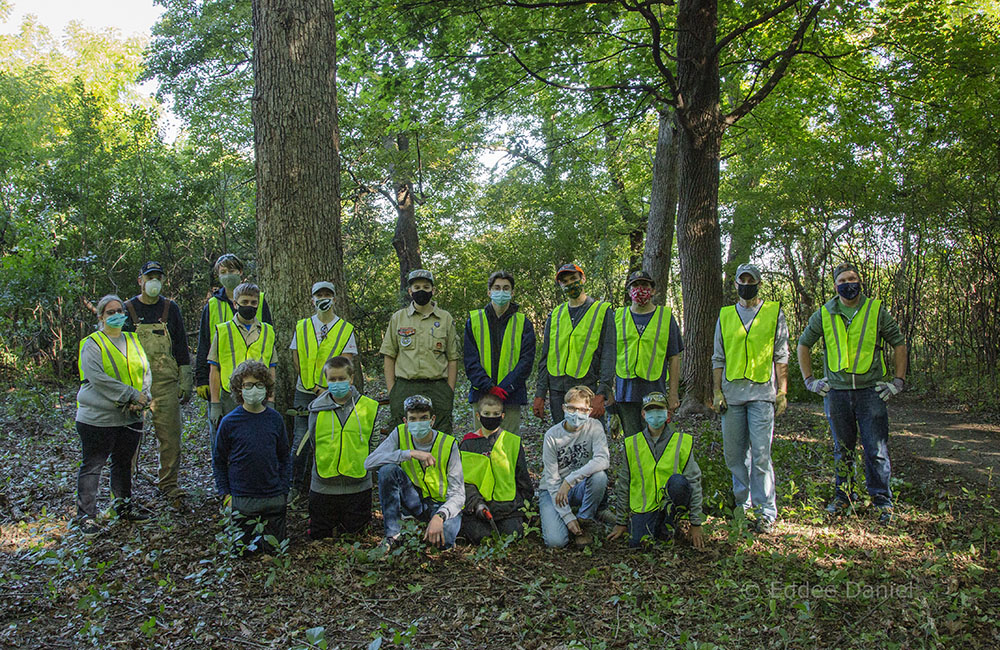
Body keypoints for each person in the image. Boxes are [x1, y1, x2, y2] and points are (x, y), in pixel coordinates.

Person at [797, 263, 907, 525]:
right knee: (842, 449)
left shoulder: (875, 310)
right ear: (835, 286)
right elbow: (803, 343)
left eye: (853, 278)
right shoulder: (824, 313)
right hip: (837, 393)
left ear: (860, 282)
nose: (849, 283)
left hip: (871, 391)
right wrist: (809, 380)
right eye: (843, 280)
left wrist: (898, 381)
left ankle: (882, 500)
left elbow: (898, 343)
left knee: (876, 449)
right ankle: (843, 497)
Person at [711, 263, 789, 533]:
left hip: (761, 395)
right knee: (734, 454)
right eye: (742, 280)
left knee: (760, 454)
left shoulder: (773, 312)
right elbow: (718, 356)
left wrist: (782, 391)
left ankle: (765, 510)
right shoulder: (725, 315)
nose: (746, 284)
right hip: (732, 395)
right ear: (735, 284)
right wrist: (716, 390)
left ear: (758, 283)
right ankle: (742, 506)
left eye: (751, 280)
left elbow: (781, 355)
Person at [74, 295, 152, 537]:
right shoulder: (93, 343)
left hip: (130, 416)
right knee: (93, 466)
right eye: (110, 312)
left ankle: (123, 506)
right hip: (98, 417)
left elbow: (145, 370)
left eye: (119, 310)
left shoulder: (132, 339)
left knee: (122, 463)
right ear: (100, 317)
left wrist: (142, 396)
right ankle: (85, 516)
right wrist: (130, 395)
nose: (116, 314)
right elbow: (97, 378)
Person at [122, 261, 192, 502]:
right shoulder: (127, 309)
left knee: (170, 438)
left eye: (158, 277)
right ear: (140, 280)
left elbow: (181, 346)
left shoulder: (170, 309)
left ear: (162, 281)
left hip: (165, 383)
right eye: (149, 277)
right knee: (129, 437)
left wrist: (186, 379)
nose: (154, 281)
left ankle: (169, 484)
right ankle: (123, 489)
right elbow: (118, 349)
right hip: (135, 385)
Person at [364, 395, 464, 550]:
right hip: (414, 500)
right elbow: (369, 463)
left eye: (423, 418)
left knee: (444, 541)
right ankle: (393, 535)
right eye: (413, 419)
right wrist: (408, 453)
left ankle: (427, 525)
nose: (418, 423)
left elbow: (458, 494)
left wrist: (441, 516)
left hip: (441, 504)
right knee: (387, 470)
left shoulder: (449, 444)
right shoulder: (400, 433)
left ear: (432, 420)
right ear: (405, 421)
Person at [607, 393, 705, 549]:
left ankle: (671, 524)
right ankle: (657, 527)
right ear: (643, 415)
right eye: (650, 410)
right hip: (645, 507)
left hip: (674, 501)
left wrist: (696, 523)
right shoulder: (632, 443)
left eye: (659, 410)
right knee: (638, 544)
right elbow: (624, 483)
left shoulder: (682, 442)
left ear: (668, 414)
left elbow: (694, 481)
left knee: (678, 482)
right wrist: (621, 522)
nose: (655, 415)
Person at [212, 360, 290, 554]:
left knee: (274, 551)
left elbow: (285, 458)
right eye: (248, 385)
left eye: (259, 385)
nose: (253, 389)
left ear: (266, 388)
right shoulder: (229, 422)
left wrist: (283, 491)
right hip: (241, 498)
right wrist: (226, 496)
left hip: (273, 498)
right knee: (241, 552)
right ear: (239, 389)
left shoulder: (275, 419)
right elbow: (219, 461)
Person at [290, 281, 358, 498]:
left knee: (329, 438)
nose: (323, 298)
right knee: (300, 442)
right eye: (319, 295)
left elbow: (347, 362)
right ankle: (294, 487)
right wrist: (310, 384)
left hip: (333, 392)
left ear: (335, 299)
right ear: (312, 300)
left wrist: (328, 388)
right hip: (305, 391)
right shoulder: (302, 327)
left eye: (328, 294)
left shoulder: (345, 329)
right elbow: (296, 358)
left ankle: (328, 486)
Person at [380, 269, 461, 434]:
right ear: (410, 291)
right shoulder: (398, 318)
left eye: (426, 286)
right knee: (402, 436)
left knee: (441, 436)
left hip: (437, 387)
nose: (421, 290)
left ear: (433, 290)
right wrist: (392, 391)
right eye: (417, 287)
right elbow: (389, 356)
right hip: (405, 386)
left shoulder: (445, 318)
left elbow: (453, 358)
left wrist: (449, 391)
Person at [305, 355, 377, 540]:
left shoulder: (368, 407)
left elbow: (373, 443)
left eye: (342, 379)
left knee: (357, 537)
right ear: (326, 380)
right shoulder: (316, 408)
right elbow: (314, 441)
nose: (337, 383)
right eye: (332, 379)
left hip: (358, 485)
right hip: (323, 485)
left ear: (351, 379)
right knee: (321, 538)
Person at [533, 263, 614, 423]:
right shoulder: (555, 315)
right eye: (565, 281)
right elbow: (546, 356)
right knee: (562, 440)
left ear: (582, 279)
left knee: (588, 441)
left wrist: (602, 393)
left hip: (586, 389)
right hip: (557, 391)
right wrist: (540, 393)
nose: (570, 283)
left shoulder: (601, 311)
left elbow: (609, 354)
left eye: (573, 278)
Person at [608, 270, 683, 437]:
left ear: (653, 290)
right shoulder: (618, 317)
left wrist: (673, 394)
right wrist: (608, 391)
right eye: (635, 285)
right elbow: (609, 356)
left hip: (655, 391)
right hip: (625, 393)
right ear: (629, 291)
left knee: (656, 440)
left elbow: (674, 357)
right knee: (632, 441)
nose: (639, 289)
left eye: (644, 285)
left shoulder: (666, 317)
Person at [207, 282, 277, 454]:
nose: (249, 306)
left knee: (258, 443)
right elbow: (214, 369)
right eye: (245, 302)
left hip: (259, 395)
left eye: (253, 303)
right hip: (229, 397)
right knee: (229, 445)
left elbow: (272, 368)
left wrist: (271, 399)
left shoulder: (268, 331)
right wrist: (215, 403)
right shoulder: (223, 331)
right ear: (235, 304)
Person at [463, 270, 536, 433]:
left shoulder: (523, 323)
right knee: (482, 444)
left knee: (508, 447)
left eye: (505, 288)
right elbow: (470, 360)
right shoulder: (474, 321)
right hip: (481, 395)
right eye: (497, 288)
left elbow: (526, 361)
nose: (501, 292)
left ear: (512, 292)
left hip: (511, 396)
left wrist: (506, 388)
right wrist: (489, 387)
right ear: (489, 292)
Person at [538, 385, 610, 548]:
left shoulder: (595, 426)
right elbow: (552, 479)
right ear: (564, 408)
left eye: (582, 410)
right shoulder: (552, 435)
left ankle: (585, 521)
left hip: (577, 486)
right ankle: (569, 518)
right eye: (572, 408)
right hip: (553, 491)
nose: (577, 414)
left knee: (599, 477)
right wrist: (567, 517)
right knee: (556, 542)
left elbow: (603, 459)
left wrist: (569, 481)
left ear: (589, 410)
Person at [195, 253, 271, 403]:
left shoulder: (259, 300)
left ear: (240, 272)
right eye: (223, 272)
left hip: (256, 381)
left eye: (231, 271)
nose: (228, 276)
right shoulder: (212, 305)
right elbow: (204, 343)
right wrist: (202, 379)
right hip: (223, 380)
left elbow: (269, 339)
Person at [458, 393, 533, 544]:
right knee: (481, 538)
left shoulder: (512, 442)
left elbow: (522, 478)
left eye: (495, 414)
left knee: (512, 536)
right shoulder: (468, 444)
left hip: (508, 508)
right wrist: (476, 504)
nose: (491, 417)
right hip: (478, 507)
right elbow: (464, 481)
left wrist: (522, 506)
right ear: (478, 416)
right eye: (486, 414)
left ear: (503, 416)